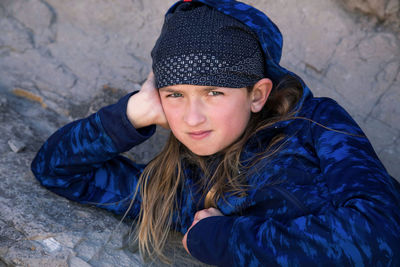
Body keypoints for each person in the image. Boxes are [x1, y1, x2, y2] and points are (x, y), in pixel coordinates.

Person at [31, 0, 400, 266]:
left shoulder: (317, 125)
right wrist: (131, 115)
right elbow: (55, 168)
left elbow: (381, 235)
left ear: (257, 95)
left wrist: (222, 239)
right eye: (175, 95)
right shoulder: (179, 190)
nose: (192, 118)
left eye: (214, 93)